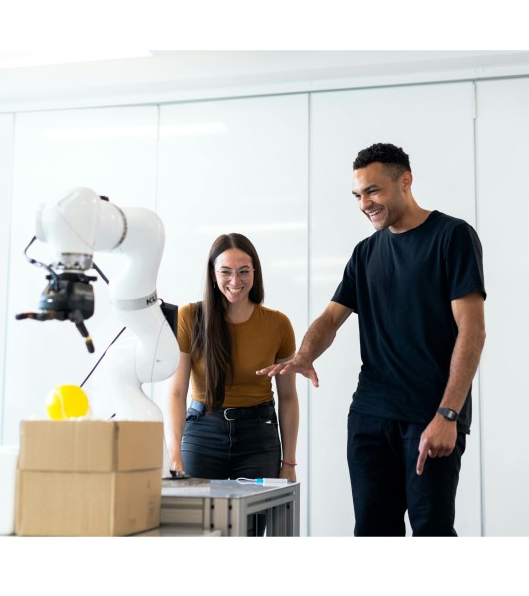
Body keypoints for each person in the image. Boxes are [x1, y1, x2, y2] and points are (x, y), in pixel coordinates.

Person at [258, 143, 486, 536]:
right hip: (370, 415)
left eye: (373, 190)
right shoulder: (365, 253)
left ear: (405, 181)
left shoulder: (452, 237)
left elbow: (473, 330)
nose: (364, 203)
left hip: (429, 415)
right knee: (372, 531)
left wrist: (448, 414)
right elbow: (331, 317)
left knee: (432, 530)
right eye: (358, 195)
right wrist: (304, 354)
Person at [166, 233, 299, 498]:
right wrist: (174, 454)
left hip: (258, 435)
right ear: (213, 275)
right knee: (197, 527)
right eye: (225, 272)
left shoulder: (278, 324)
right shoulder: (189, 316)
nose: (235, 281)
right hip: (203, 431)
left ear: (255, 273)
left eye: (243, 272)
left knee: (251, 529)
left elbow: (288, 397)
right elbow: (176, 392)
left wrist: (289, 463)